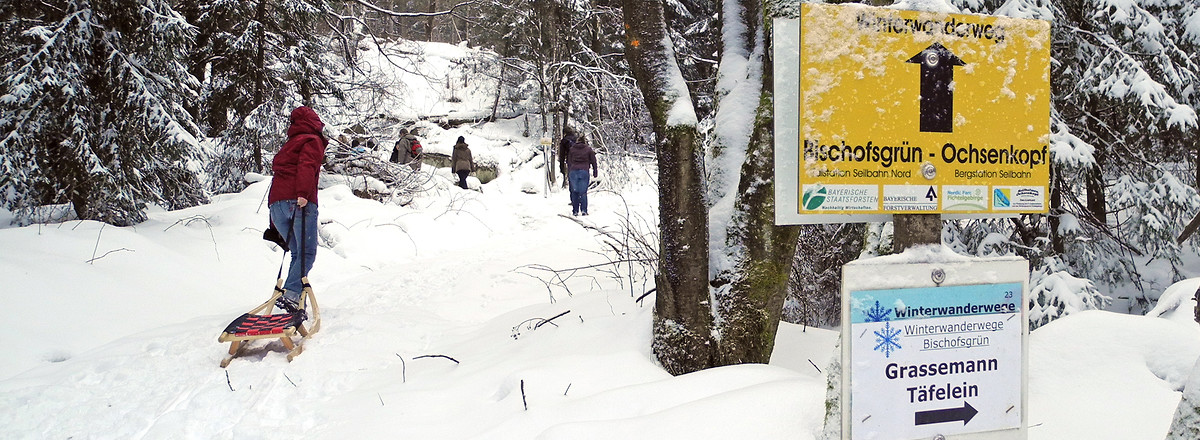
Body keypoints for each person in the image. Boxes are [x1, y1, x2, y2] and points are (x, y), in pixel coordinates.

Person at [267, 106, 327, 317]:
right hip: (300, 202)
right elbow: (307, 165)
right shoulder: (312, 140)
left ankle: (292, 296)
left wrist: (273, 221)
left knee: (297, 253)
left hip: (277, 205)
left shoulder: (290, 144)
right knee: (307, 252)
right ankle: (291, 296)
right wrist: (303, 193)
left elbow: (279, 176)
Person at [567, 136, 598, 216]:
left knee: (575, 192)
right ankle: (584, 210)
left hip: (573, 171)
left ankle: (575, 211)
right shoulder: (588, 149)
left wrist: (569, 172)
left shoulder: (572, 149)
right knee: (583, 192)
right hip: (584, 171)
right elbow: (593, 161)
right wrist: (595, 171)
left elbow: (569, 161)